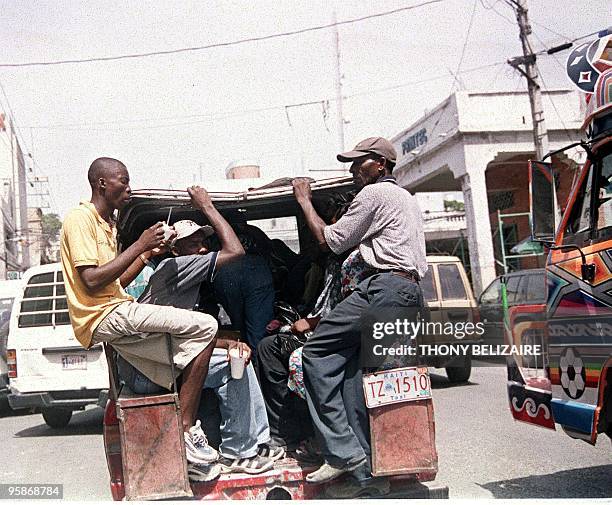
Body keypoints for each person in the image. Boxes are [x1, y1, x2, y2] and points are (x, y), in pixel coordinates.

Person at [59, 157, 242, 465]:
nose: (128, 188)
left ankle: (185, 432)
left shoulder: (107, 225)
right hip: (102, 315)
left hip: (115, 307)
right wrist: (139, 244)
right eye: (123, 181)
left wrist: (145, 253)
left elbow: (114, 281)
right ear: (102, 183)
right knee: (207, 326)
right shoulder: (80, 218)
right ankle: (184, 430)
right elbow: (90, 281)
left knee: (202, 339)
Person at [291, 137, 427, 497]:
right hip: (407, 292)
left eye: (359, 163)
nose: (353, 170)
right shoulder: (407, 199)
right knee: (354, 373)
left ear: (380, 164)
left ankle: (342, 452)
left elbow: (331, 241)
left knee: (315, 353)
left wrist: (304, 201)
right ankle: (367, 472)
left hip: (384, 287)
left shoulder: (374, 195)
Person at [125, 219, 284, 478]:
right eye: (192, 244)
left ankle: (257, 442)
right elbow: (235, 251)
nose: (201, 250)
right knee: (231, 367)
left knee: (237, 358)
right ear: (175, 250)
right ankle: (239, 451)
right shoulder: (174, 266)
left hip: (162, 359)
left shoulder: (187, 276)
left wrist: (230, 343)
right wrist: (207, 206)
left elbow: (185, 337)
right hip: (148, 367)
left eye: (202, 243)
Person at [211, 222, 275, 354]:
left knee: (237, 325)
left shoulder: (215, 232)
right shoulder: (254, 231)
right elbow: (268, 250)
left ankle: (240, 357)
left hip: (225, 272)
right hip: (256, 272)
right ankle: (255, 364)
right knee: (258, 331)